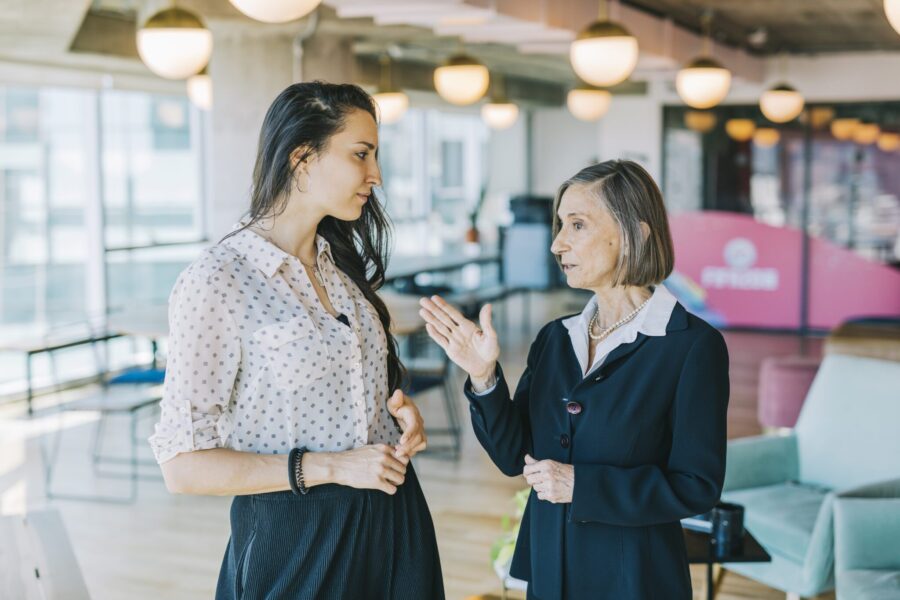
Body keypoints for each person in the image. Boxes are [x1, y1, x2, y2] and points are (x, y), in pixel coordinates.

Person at [149, 81, 444, 600]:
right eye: (361, 155)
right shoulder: (219, 279)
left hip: (394, 519)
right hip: (296, 539)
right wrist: (332, 467)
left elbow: (349, 400)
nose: (375, 175)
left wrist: (400, 418)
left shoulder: (342, 269)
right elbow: (182, 466)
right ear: (302, 158)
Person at [419, 159, 729, 599]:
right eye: (560, 225)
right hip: (550, 565)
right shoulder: (555, 338)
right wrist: (483, 375)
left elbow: (696, 487)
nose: (557, 244)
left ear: (635, 234)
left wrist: (581, 485)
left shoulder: (692, 347)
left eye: (577, 225)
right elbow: (514, 457)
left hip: (632, 578)